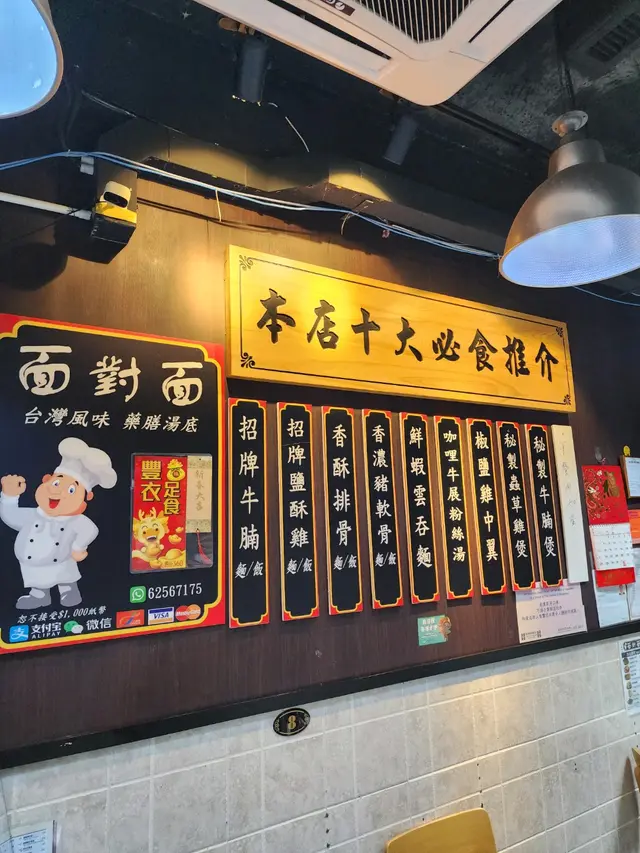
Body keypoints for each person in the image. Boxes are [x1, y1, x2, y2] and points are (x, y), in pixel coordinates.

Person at [0, 437, 117, 610]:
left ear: (85, 499)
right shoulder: (33, 515)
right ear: (46, 480)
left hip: (62, 561)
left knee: (65, 576)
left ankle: (68, 591)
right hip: (30, 564)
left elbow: (90, 530)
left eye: (71, 490)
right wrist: (9, 496)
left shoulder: (76, 521)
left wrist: (78, 547)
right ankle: (39, 595)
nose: (58, 492)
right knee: (37, 579)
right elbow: (10, 516)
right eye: (56, 483)